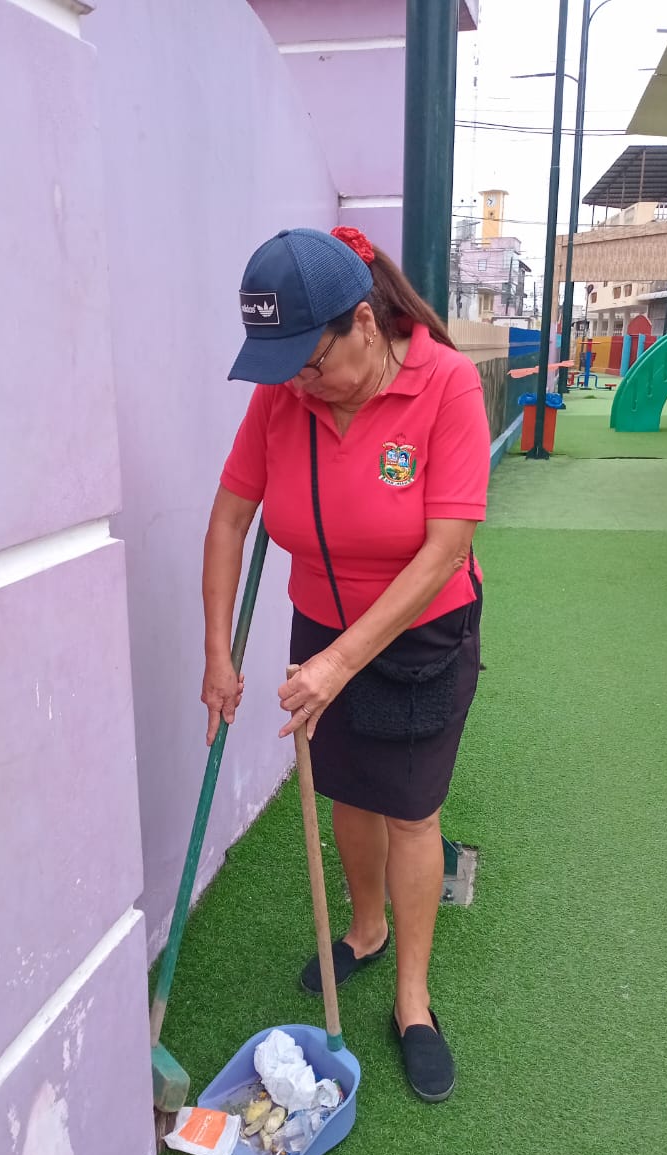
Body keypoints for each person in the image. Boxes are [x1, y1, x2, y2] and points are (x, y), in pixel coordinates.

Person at [202, 226, 490, 1102]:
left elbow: (446, 548)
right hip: (321, 626)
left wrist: (339, 663)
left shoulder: (446, 383)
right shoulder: (283, 394)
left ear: (364, 323)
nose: (298, 384)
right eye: (283, 368)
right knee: (350, 792)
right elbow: (230, 520)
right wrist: (217, 651)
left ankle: (413, 1001)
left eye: (311, 363)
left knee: (411, 809)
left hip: (420, 634)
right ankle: (365, 930)